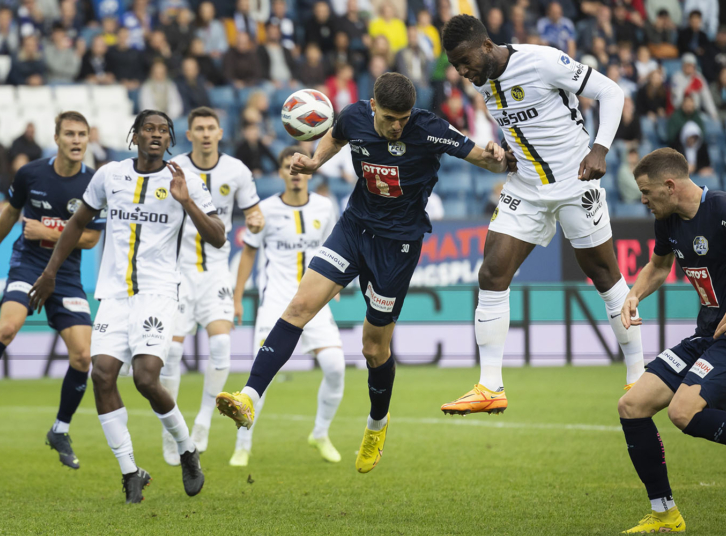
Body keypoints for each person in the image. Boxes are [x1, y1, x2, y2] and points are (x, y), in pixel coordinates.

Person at [215, 73, 506, 474]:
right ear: (372, 107)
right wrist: (315, 161)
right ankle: (249, 397)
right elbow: (336, 136)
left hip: (397, 246)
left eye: (403, 118)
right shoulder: (353, 116)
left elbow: (484, 160)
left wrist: (496, 154)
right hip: (354, 229)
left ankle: (376, 424)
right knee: (299, 306)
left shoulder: (430, 129)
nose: (397, 126)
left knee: (374, 349)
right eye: (389, 118)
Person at [440, 14, 644, 416]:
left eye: (465, 61)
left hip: (576, 179)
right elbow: (521, 124)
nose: (462, 72)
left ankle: (639, 375)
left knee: (604, 274)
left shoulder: (542, 61)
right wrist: (507, 153)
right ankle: (490, 385)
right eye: (455, 65)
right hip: (526, 188)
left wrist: (600, 148)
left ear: (486, 45)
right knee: (491, 273)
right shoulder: (483, 81)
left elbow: (611, 92)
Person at [29, 110, 225, 503]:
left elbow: (218, 236)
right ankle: (131, 472)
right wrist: (50, 272)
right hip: (115, 294)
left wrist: (187, 202)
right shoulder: (109, 175)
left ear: (170, 140)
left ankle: (187, 451)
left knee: (146, 378)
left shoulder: (184, 180)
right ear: (134, 136)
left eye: (163, 130)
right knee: (102, 375)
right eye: (148, 128)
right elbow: (76, 223)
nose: (156, 134)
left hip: (157, 292)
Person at [617, 148, 726, 533]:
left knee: (682, 412)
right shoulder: (668, 220)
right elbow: (659, 265)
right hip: (708, 334)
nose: (642, 200)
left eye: (646, 192)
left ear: (670, 186)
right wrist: (634, 295)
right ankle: (665, 514)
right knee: (632, 405)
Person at [159, 107, 263, 465]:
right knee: (172, 353)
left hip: (216, 271)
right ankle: (171, 431)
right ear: (189, 135)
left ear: (220, 133)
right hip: (178, 272)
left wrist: (256, 219)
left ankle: (202, 422)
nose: (205, 134)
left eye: (211, 128)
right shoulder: (173, 169)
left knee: (220, 344)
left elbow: (253, 214)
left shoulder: (237, 171)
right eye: (199, 128)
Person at [0, 112, 103, 469]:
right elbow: (10, 215)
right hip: (28, 267)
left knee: (83, 357)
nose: (77, 140)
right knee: (6, 328)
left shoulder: (94, 183)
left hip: (66, 276)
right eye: (70, 134)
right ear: (56, 138)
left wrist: (47, 232)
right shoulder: (30, 174)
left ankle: (60, 430)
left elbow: (90, 238)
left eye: (82, 134)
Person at [230, 146, 345, 467]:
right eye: (287, 167)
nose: (295, 173)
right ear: (280, 172)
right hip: (276, 305)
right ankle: (242, 445)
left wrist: (336, 285)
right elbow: (249, 252)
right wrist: (237, 298)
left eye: (300, 167)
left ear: (310, 170)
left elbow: (336, 248)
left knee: (336, 367)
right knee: (261, 377)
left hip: (315, 301)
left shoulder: (325, 207)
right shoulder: (264, 209)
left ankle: (320, 434)